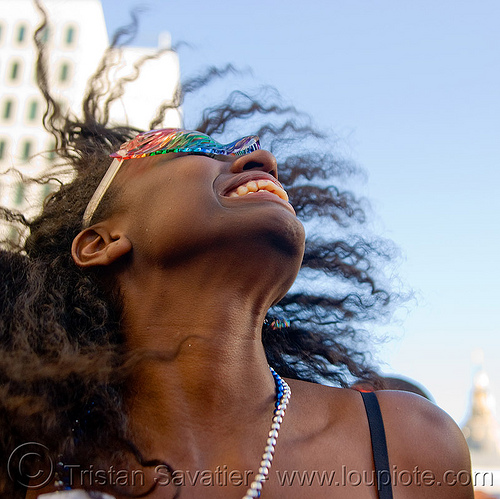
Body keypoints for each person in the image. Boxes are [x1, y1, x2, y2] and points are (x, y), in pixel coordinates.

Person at [1, 8, 473, 499]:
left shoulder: (412, 444)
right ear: (100, 242)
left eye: (248, 150)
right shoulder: (28, 456)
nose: (260, 158)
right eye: (193, 146)